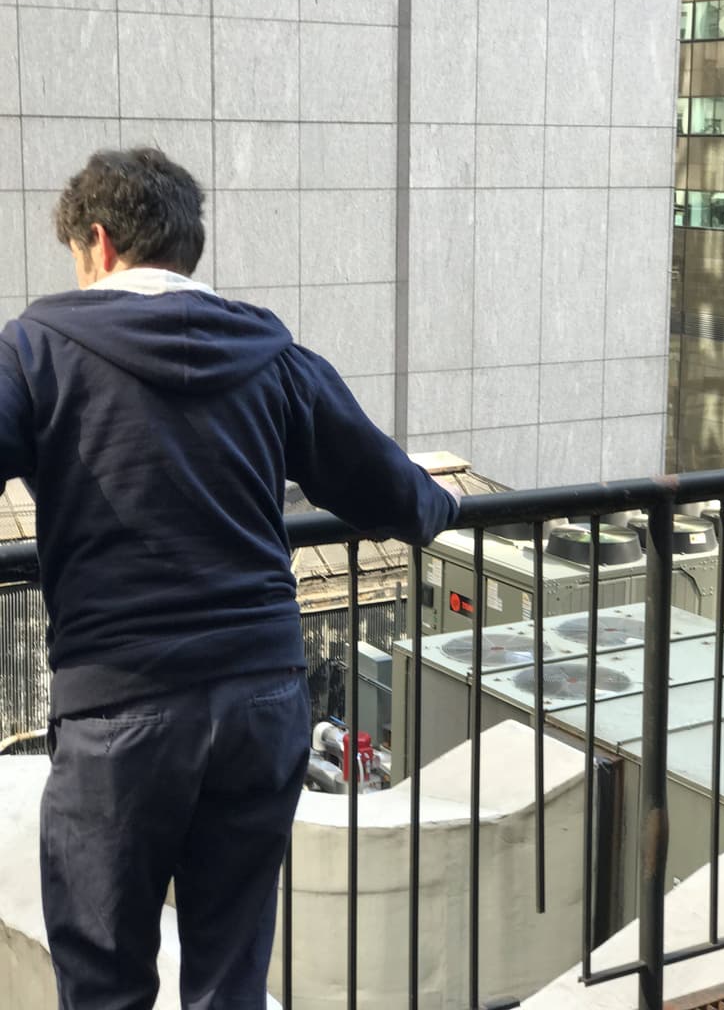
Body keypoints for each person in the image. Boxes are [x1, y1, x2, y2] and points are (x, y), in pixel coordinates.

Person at [0, 147, 459, 1009]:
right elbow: (392, 492)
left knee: (104, 981)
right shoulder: (272, 353)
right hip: (262, 697)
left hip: (119, 710)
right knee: (229, 973)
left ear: (96, 242)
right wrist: (445, 508)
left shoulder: (36, 350)